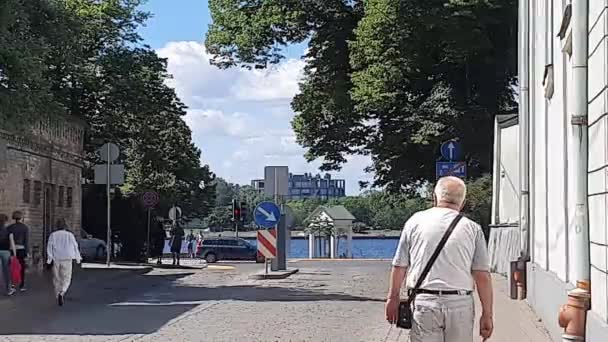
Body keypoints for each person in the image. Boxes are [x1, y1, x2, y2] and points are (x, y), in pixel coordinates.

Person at [385, 176, 494, 342]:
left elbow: (400, 265)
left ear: (434, 198)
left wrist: (393, 298)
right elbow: (482, 276)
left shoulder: (415, 222)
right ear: (463, 203)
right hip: (460, 304)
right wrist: (487, 314)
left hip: (424, 303)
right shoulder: (473, 229)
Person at [46, 218, 82, 306]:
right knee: (66, 278)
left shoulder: (53, 235)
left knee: (56, 278)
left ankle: (57, 293)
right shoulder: (70, 235)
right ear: (65, 226)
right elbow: (75, 246)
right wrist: (78, 258)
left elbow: (49, 247)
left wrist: (49, 259)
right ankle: (62, 292)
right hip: (67, 258)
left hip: (56, 258)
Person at [7, 211, 29, 292]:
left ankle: (12, 285)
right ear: (21, 217)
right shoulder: (25, 227)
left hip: (12, 249)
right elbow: (26, 241)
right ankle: (21, 285)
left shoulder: (9, 227)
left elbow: (7, 239)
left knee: (12, 267)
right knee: (22, 267)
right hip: (21, 249)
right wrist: (27, 252)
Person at [0, 214, 15, 296]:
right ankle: (8, 289)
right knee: (6, 272)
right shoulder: (8, 231)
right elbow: (12, 243)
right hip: (6, 252)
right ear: (5, 221)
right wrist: (14, 254)